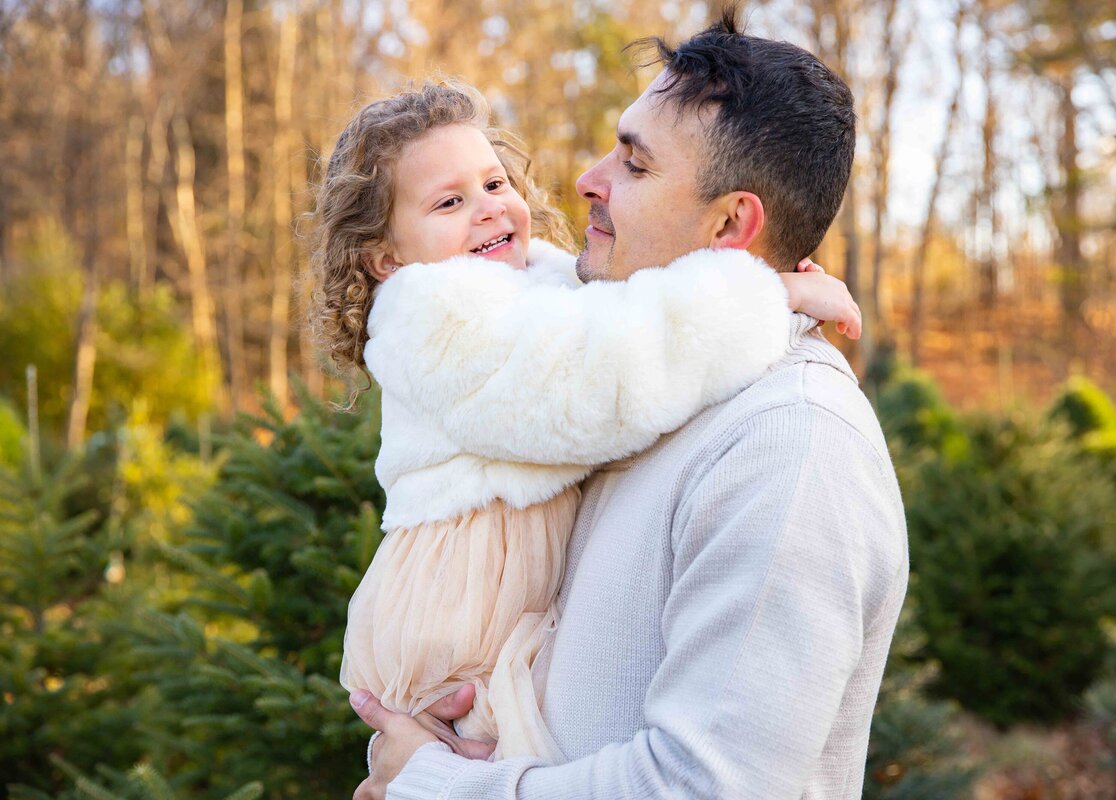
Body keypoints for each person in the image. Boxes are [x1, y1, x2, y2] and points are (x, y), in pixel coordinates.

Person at [348, 11, 909, 800]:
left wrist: (437, 786)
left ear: (731, 225)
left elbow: (705, 788)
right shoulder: (651, 391)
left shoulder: (789, 443)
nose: (584, 177)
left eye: (634, 167)